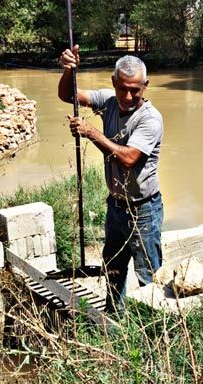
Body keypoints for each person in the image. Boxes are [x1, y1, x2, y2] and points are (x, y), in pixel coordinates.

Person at [58, 45, 164, 314]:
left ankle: (152, 330)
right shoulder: (108, 101)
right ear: (114, 83)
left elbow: (129, 159)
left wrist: (91, 133)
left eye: (135, 90)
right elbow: (67, 94)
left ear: (145, 86)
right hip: (116, 206)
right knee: (113, 266)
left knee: (148, 273)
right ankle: (114, 319)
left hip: (144, 210)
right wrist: (69, 70)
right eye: (123, 88)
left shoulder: (150, 118)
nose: (128, 96)